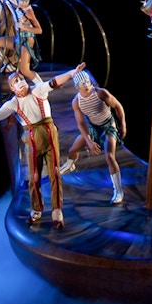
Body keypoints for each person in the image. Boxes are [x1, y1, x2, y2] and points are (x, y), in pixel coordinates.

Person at [0, 62, 86, 230]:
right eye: (16, 81)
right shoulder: (12, 104)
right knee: (34, 177)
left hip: (49, 133)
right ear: (12, 88)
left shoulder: (37, 90)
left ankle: (57, 211)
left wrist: (72, 73)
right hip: (33, 138)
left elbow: (53, 82)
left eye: (21, 78)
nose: (20, 81)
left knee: (55, 173)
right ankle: (37, 209)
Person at [58, 70, 129, 204]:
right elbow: (80, 123)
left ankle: (118, 190)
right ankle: (69, 165)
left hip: (108, 125)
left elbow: (118, 106)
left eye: (88, 82)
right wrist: (89, 141)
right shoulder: (76, 102)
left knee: (109, 156)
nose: (87, 85)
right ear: (76, 87)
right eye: (83, 84)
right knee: (73, 149)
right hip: (93, 127)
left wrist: (123, 125)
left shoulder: (101, 93)